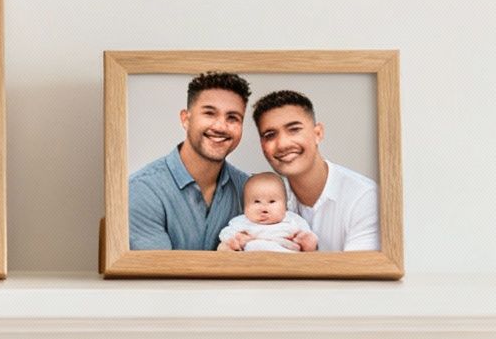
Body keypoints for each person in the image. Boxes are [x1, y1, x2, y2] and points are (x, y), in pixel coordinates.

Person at [129, 72, 281, 251]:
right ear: (186, 119)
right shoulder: (142, 191)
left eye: (232, 118)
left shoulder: (249, 190)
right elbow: (158, 274)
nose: (220, 126)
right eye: (209, 113)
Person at [251, 89, 380, 252]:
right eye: (270, 135)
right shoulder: (262, 200)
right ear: (262, 145)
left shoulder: (365, 198)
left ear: (317, 133)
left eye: (294, 129)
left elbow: (360, 274)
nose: (282, 144)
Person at [217, 172, 314, 252]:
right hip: (252, 257)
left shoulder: (291, 219)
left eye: (272, 201)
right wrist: (235, 241)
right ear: (245, 207)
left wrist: (303, 239)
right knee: (227, 247)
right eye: (256, 202)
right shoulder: (242, 221)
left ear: (285, 206)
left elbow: (306, 231)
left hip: (285, 253)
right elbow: (226, 234)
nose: (264, 208)